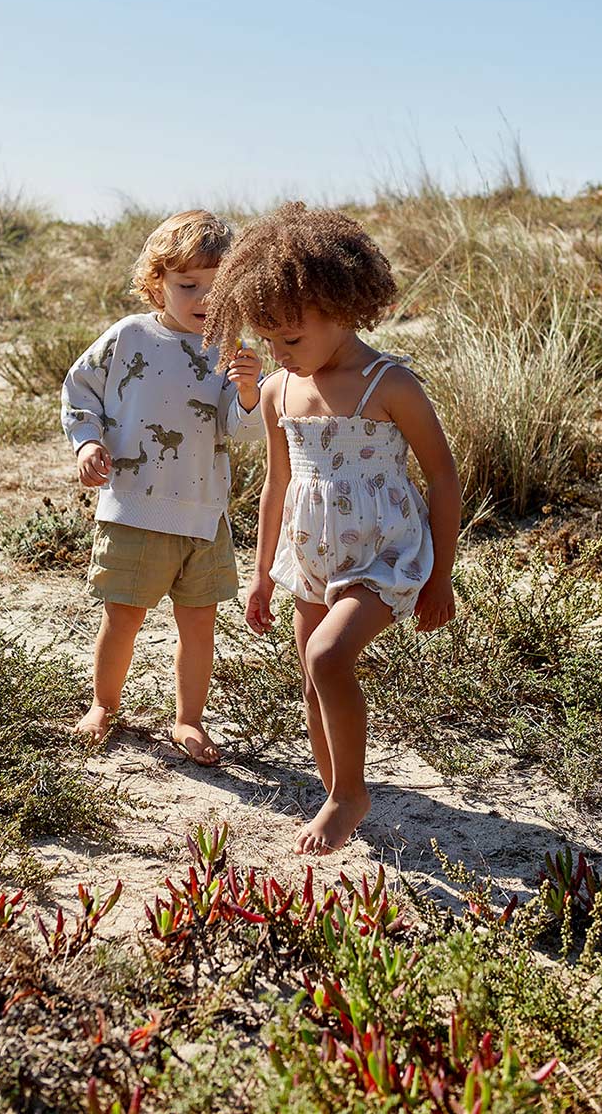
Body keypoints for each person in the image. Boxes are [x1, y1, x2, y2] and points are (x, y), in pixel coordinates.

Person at [203, 202, 460, 852]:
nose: (280, 354)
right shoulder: (280, 391)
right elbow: (276, 486)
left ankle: (349, 795)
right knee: (311, 678)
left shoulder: (387, 382)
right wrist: (262, 573)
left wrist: (441, 576)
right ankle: (335, 789)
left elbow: (443, 478)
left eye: (291, 338)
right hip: (311, 552)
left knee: (327, 656)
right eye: (268, 342)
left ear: (341, 307)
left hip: (385, 552)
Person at [61, 210, 262, 765]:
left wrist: (249, 391)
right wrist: (86, 443)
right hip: (134, 509)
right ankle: (104, 704)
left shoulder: (229, 351)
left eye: (217, 289)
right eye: (187, 285)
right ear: (158, 283)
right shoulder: (130, 336)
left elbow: (239, 428)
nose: (202, 298)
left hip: (203, 516)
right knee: (122, 614)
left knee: (199, 626)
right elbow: (80, 389)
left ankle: (188, 720)